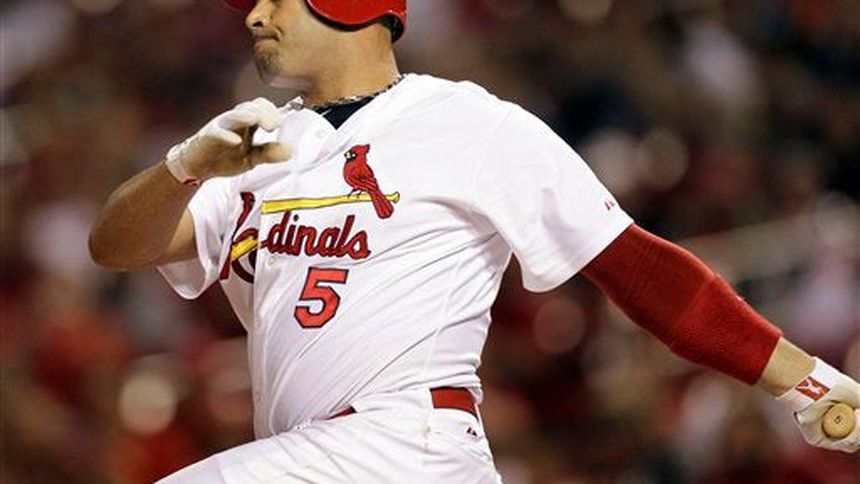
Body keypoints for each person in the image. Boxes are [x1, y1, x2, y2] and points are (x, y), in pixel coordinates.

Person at [88, 0, 860, 482]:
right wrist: (184, 166)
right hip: (320, 456)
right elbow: (115, 247)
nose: (254, 16)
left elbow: (640, 270)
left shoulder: (468, 124)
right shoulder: (250, 146)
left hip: (401, 444)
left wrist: (810, 384)